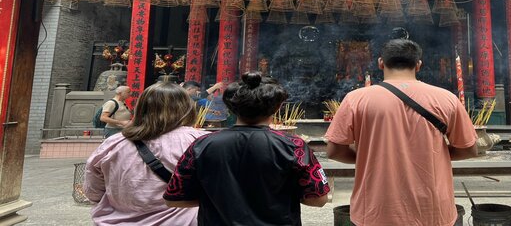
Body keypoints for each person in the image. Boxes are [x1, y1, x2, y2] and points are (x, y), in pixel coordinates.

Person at [325, 39, 478, 226]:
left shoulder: (356, 100)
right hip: (432, 210)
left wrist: (371, 155)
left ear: (381, 63)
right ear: (418, 65)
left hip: (376, 209)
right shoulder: (446, 99)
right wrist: (432, 155)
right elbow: (469, 149)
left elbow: (334, 150)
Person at [164, 72, 330, 225]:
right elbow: (318, 199)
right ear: (277, 107)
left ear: (230, 108)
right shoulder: (294, 146)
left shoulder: (202, 145)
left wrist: (217, 198)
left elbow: (174, 198)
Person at [84, 83, 206, 225]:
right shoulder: (199, 141)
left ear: (141, 107)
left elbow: (93, 191)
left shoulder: (113, 144)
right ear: (187, 108)